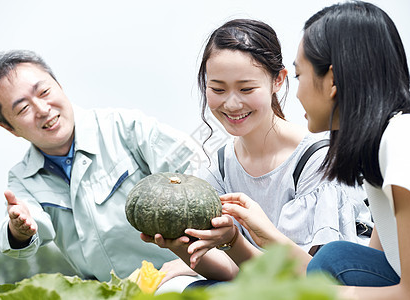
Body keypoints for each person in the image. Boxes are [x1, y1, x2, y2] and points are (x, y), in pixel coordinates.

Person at [141, 18, 372, 284]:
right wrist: (181, 246)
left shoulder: (317, 161)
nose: (232, 103)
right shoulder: (220, 166)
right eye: (217, 89)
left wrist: (235, 240)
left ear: (278, 81)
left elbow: (317, 279)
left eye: (246, 88)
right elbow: (234, 271)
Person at [0, 50, 203, 284]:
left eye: (44, 92)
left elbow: (199, 171)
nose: (42, 109)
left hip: (177, 275)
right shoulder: (23, 178)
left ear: (59, 86)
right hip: (108, 291)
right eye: (23, 108)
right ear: (9, 128)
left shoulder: (125, 128)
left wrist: (194, 258)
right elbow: (27, 227)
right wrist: (19, 231)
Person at [295, 2, 410, 299]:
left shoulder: (401, 139)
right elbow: (389, 246)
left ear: (333, 80)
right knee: (334, 258)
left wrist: (322, 295)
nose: (297, 90)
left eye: (298, 75)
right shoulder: (379, 138)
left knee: (329, 263)